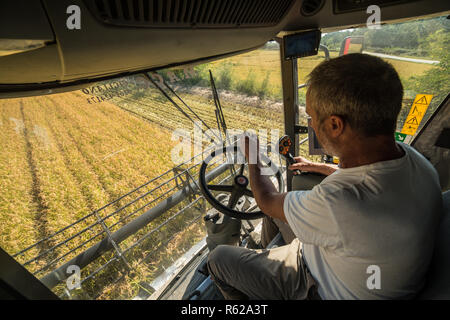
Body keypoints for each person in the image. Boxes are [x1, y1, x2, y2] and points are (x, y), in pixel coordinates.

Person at [206, 53, 443, 300]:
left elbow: (266, 199)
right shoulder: (418, 162)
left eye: (310, 116)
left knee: (219, 260)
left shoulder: (337, 202)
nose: (310, 123)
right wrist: (320, 167)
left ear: (334, 125)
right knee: (277, 214)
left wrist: (252, 156)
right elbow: (368, 183)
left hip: (318, 283)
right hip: (350, 263)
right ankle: (264, 267)